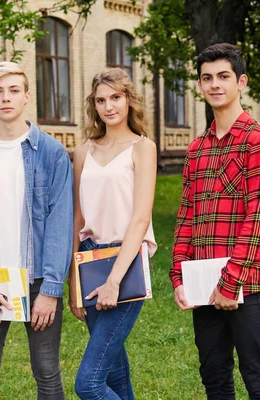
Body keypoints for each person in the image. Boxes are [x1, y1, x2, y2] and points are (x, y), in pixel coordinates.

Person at [170, 43, 260, 400]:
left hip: (250, 282)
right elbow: (187, 216)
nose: (214, 85)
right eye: (207, 78)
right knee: (214, 378)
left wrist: (230, 282)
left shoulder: (259, 140)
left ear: (241, 82)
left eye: (223, 77)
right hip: (203, 283)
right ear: (200, 86)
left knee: (257, 378)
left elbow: (259, 216)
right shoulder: (196, 149)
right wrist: (178, 276)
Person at [0, 61, 73, 400]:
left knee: (48, 374)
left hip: (38, 280)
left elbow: (59, 223)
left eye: (13, 90)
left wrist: (50, 290)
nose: (6, 98)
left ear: (26, 97)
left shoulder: (52, 154)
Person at [70, 68, 157, 400]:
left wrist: (114, 280)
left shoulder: (142, 147)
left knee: (89, 384)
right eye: (101, 100)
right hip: (90, 260)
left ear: (128, 100)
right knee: (116, 374)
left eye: (116, 98)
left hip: (126, 260)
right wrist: (74, 280)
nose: (109, 106)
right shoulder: (83, 151)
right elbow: (78, 217)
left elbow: (140, 218)